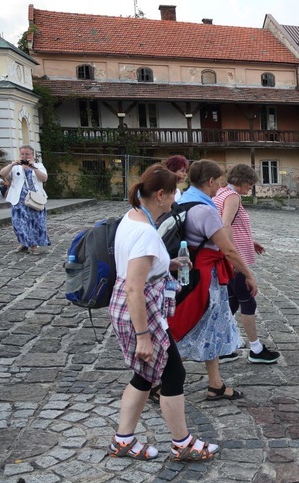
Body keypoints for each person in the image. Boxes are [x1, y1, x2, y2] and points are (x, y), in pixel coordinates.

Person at [108, 164, 218, 462]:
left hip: (134, 306)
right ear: (159, 195)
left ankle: (123, 440)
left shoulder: (131, 218)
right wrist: (143, 336)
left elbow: (136, 268)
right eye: (173, 195)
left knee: (144, 376)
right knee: (173, 373)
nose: (175, 201)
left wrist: (169, 264)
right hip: (140, 311)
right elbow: (134, 286)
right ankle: (182, 443)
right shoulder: (144, 231)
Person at [168, 159, 257, 400]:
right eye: (218, 181)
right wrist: (248, 275)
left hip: (188, 273)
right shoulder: (205, 210)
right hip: (207, 279)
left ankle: (215, 384)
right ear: (210, 181)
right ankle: (159, 380)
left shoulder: (181, 202)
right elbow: (227, 250)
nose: (220, 185)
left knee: (210, 328)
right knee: (196, 325)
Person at [213, 163, 280, 364]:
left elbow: (226, 225)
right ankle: (256, 349)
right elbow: (225, 225)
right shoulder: (233, 197)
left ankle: (221, 348)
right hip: (233, 258)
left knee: (232, 302)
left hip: (226, 256)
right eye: (249, 183)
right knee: (247, 300)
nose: (251, 187)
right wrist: (233, 256)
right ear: (241, 181)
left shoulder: (220, 193)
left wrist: (251, 242)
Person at [0, 145, 50, 255]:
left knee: (35, 222)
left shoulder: (38, 165)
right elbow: (2, 174)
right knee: (19, 223)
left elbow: (44, 178)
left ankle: (33, 245)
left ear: (32, 155)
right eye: (22, 154)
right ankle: (23, 243)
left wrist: (33, 168)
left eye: (27, 154)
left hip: (35, 199)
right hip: (19, 199)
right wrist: (12, 164)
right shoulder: (15, 167)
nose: (25, 156)